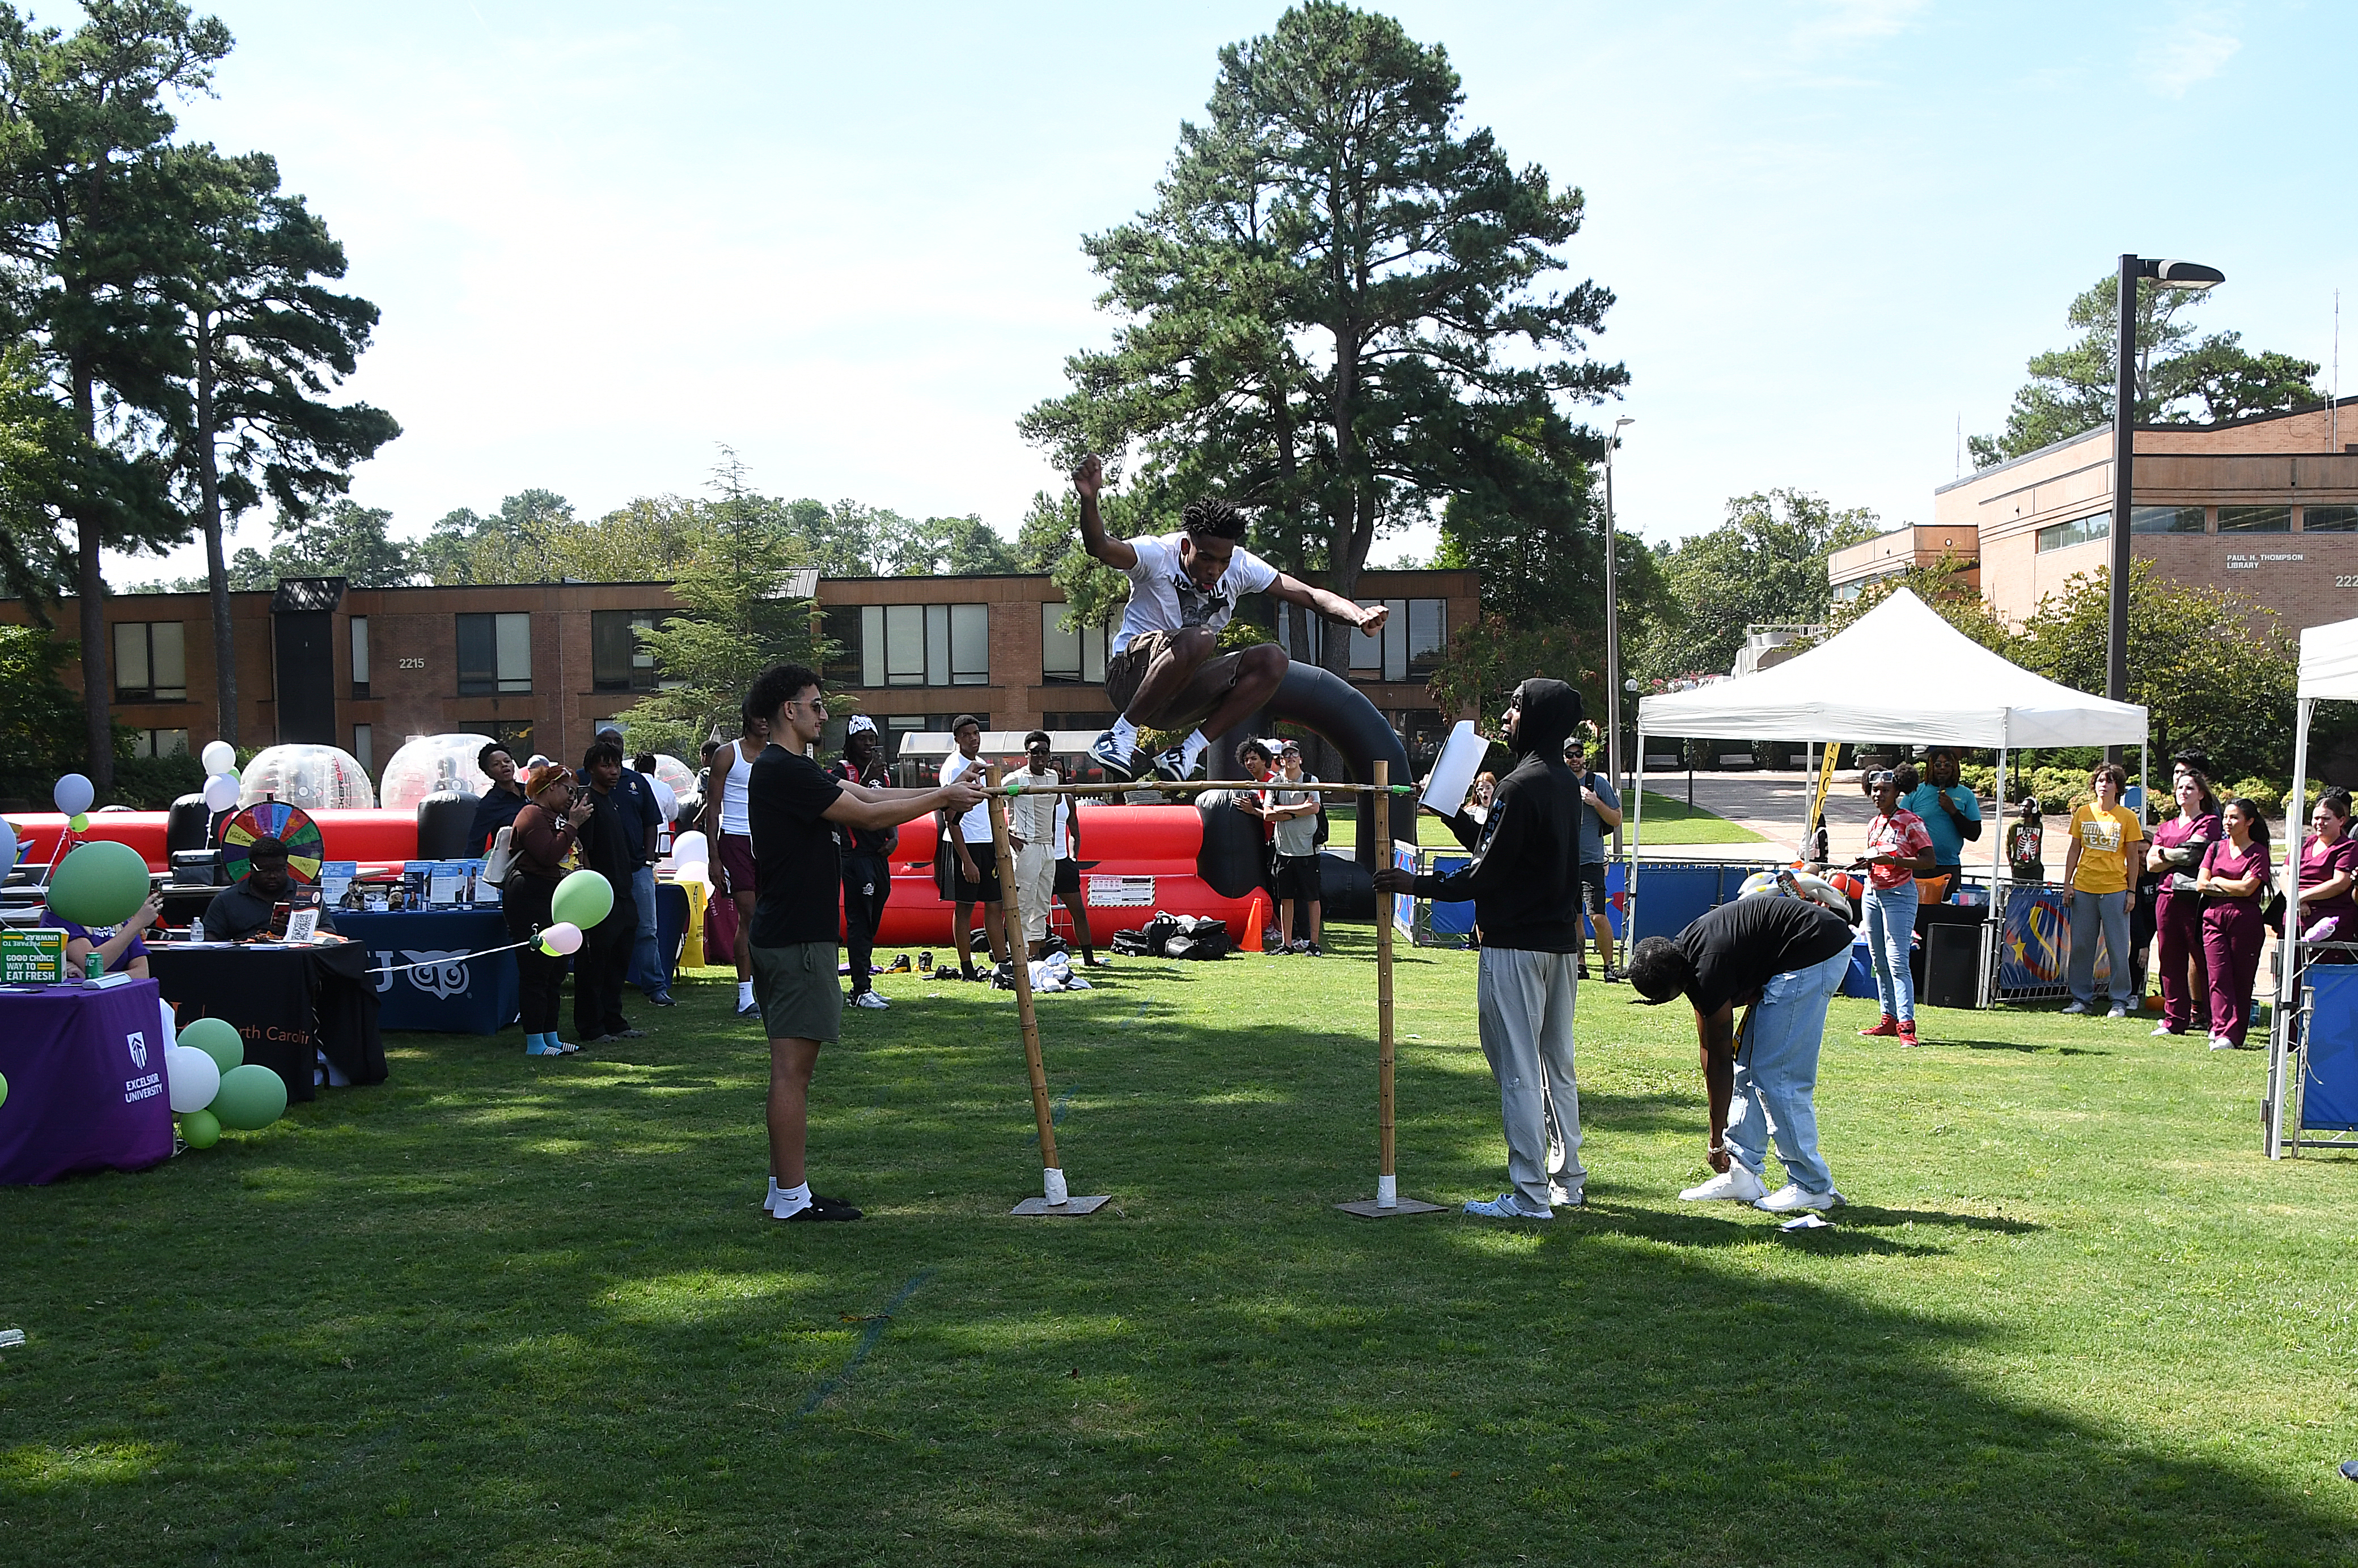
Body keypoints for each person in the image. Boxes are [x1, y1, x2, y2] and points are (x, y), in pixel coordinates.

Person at [742, 662, 990, 1221]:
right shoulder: (784, 770)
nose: (824, 714)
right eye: (816, 704)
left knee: (789, 1068)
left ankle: (784, 1187)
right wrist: (942, 800)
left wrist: (942, 792)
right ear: (790, 711)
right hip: (795, 939)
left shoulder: (789, 769)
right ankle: (791, 1199)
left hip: (790, 935)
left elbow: (868, 794)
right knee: (791, 1071)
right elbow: (866, 816)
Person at [1374, 679, 1586, 1221]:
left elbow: (1484, 876)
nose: (1508, 716)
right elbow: (1501, 850)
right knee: (1555, 1066)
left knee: (1517, 1069)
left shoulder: (1518, 786)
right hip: (1560, 946)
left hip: (1515, 946)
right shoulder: (1561, 781)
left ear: (1538, 718)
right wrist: (1447, 811)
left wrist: (1412, 882)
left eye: (1517, 707)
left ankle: (1529, 1196)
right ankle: (1568, 1181)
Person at [1072, 454, 1390, 783]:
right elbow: (1101, 547)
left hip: (1176, 697)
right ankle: (1119, 734)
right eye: (1206, 559)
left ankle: (1187, 751)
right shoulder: (1156, 555)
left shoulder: (1241, 566)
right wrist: (1090, 501)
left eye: (1223, 561)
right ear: (1186, 546)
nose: (1215, 570)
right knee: (1202, 638)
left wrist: (1358, 615)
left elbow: (1309, 595)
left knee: (1272, 659)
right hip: (1130, 677)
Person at [1627, 894, 1857, 1213]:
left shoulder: (1705, 970)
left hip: (1816, 949)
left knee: (1778, 1077)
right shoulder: (1682, 953)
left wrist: (1715, 1138)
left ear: (1677, 983)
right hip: (1798, 948)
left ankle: (1812, 1186)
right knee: (1748, 1067)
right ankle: (1742, 1174)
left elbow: (1716, 1059)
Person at [506, 764, 595, 1056]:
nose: (572, 797)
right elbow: (547, 855)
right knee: (536, 969)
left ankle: (551, 1035)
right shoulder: (531, 814)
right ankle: (535, 1041)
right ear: (550, 786)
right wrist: (573, 825)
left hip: (556, 898)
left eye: (575, 792)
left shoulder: (557, 819)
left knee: (555, 970)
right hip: (531, 896)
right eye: (568, 790)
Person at [584, 727, 670, 1010]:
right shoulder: (584, 784)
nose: (613, 748)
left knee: (647, 929)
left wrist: (647, 858)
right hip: (600, 876)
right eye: (606, 744)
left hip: (636, 869)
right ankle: (605, 994)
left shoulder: (636, 781)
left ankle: (655, 986)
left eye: (617, 744)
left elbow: (651, 821)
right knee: (603, 935)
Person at [1852, 766, 1935, 1046]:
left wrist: (1895, 862)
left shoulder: (1911, 822)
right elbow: (1879, 858)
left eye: (1884, 790)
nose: (1878, 795)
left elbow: (1928, 861)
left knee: (1898, 960)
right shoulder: (1874, 823)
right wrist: (1866, 862)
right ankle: (1888, 1019)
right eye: (1874, 790)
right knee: (1878, 959)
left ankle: (1906, 1026)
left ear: (1897, 791)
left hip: (1900, 895)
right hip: (1872, 893)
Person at [573, 741, 642, 1045]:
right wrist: (592, 893)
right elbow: (582, 850)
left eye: (616, 765)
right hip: (600, 896)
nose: (613, 772)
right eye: (605, 765)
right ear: (591, 769)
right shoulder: (587, 802)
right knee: (594, 964)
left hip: (624, 890)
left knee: (619, 960)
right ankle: (591, 1026)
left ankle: (614, 1020)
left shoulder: (613, 800)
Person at [2063, 762, 2145, 1019]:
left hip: (2115, 889)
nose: (2103, 785)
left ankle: (2119, 999)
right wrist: (2068, 883)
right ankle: (2081, 999)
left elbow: (2133, 857)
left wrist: (2131, 892)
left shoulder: (2128, 818)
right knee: (2081, 947)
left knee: (2118, 948)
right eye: (2100, 780)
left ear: (2117, 787)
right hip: (2084, 887)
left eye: (2109, 781)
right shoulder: (2083, 813)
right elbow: (2075, 849)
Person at [2145, 766, 2219, 1037]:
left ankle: (2214, 1020)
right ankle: (2174, 1019)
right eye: (2179, 788)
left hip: (2194, 898)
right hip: (2166, 897)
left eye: (2190, 788)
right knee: (2169, 958)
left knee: (2201, 958)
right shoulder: (2166, 827)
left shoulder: (2208, 822)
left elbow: (2194, 854)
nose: (2183, 792)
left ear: (2201, 793)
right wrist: (2168, 854)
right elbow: (2151, 864)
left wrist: (2163, 852)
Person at [828, 715, 896, 1008]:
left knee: (873, 919)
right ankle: (860, 989)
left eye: (872, 738)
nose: (868, 744)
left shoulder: (883, 772)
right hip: (855, 856)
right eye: (862, 739)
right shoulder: (842, 772)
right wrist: (868, 773)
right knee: (859, 920)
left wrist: (894, 837)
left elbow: (889, 803)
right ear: (850, 742)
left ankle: (864, 981)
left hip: (879, 854)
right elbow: (848, 801)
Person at [936, 715, 1010, 980]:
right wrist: (966, 860)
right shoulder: (953, 769)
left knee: (995, 903)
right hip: (963, 844)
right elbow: (951, 818)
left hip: (988, 843)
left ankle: (1002, 964)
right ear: (956, 738)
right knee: (965, 906)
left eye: (976, 733)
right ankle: (967, 968)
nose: (973, 738)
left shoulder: (983, 766)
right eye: (966, 735)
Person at [706, 706, 768, 1017]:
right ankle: (745, 994)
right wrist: (713, 857)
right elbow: (712, 809)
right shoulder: (727, 754)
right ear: (748, 718)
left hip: (769, 840)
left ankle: (767, 987)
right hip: (736, 839)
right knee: (750, 915)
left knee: (770, 915)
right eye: (760, 715)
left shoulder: (776, 755)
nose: (764, 721)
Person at [2196, 796, 2271, 1050]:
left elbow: (2248, 887)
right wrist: (2231, 886)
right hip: (2213, 917)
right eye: (2226, 817)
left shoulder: (2259, 852)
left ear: (2249, 822)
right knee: (2217, 976)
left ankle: (2234, 1034)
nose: (2228, 822)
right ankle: (2220, 1029)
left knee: (2240, 978)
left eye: (2234, 817)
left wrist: (2219, 881)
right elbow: (2201, 884)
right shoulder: (2215, 848)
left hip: (2245, 920)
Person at [1564, 737, 1624, 981]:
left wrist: (1595, 801)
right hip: (1565, 863)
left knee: (1597, 915)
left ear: (1584, 757)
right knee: (1574, 917)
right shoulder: (1558, 783)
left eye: (1578, 754)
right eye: (1570, 755)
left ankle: (1609, 966)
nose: (1575, 759)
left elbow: (1617, 819)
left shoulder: (1598, 783)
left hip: (1592, 862)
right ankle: (1580, 965)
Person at [202, 837, 342, 942]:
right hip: (244, 963)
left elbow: (330, 932)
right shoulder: (227, 900)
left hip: (295, 963)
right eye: (265, 870)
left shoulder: (306, 896)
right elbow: (210, 937)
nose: (273, 876)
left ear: (287, 866)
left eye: (279, 869)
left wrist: (295, 929)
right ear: (252, 868)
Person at [1265, 739, 1324, 955]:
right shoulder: (1274, 783)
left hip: (1308, 851)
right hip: (1283, 851)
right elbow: (1268, 814)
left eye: (1294, 754)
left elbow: (1315, 808)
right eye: (1286, 755)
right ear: (1281, 760)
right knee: (1285, 898)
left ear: (1301, 758)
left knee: (1312, 898)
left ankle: (1314, 944)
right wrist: (1298, 810)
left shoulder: (1311, 780)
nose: (1290, 758)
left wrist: (1285, 812)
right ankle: (1287, 944)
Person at [1900, 747, 1982, 902]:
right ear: (1931, 767)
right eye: (1938, 765)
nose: (1942, 768)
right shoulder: (1915, 792)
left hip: (1949, 868)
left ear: (1955, 767)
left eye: (1948, 764)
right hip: (1919, 866)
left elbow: (1974, 834)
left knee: (1946, 917)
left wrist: (1953, 811)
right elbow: (1899, 825)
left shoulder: (1966, 794)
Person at [1010, 731, 1062, 961]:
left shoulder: (1053, 777)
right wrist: (1010, 839)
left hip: (1047, 848)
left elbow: (1054, 807)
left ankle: (1035, 956)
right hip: (1026, 846)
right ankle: (1016, 957)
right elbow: (991, 803)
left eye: (1044, 752)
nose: (1040, 756)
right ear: (1026, 754)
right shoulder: (1015, 779)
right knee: (1023, 904)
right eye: (1035, 752)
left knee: (1043, 904)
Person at [1048, 761, 1103, 967]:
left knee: (1078, 912)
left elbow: (1075, 832)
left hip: (1063, 863)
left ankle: (1089, 958)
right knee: (1033, 911)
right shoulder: (1037, 795)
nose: (1057, 773)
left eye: (1060, 771)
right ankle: (1030, 955)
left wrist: (1073, 857)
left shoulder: (1068, 799)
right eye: (1053, 770)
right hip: (1041, 861)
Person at [2295, 788, 2358, 965]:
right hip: (2297, 920)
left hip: (2330, 925)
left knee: (2323, 980)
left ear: (2341, 820)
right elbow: (2287, 873)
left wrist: (2301, 897)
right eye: (2316, 818)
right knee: (2291, 980)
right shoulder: (2306, 843)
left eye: (2326, 819)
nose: (2319, 823)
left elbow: (2340, 883)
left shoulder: (2349, 848)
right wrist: (2297, 901)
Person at [49, 889, 164, 977]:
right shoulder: (61, 915)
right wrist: (137, 923)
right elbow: (93, 965)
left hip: (120, 995)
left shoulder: (121, 918)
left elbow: (142, 974)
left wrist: (93, 978)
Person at [468, 742, 529, 855]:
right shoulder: (488, 804)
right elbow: (475, 844)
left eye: (507, 761)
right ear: (489, 773)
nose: (504, 765)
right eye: (496, 764)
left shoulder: (531, 792)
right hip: (510, 862)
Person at [2006, 797, 2046, 883]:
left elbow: (2039, 843)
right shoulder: (2015, 825)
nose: (2023, 809)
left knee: (2036, 892)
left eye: (2027, 807)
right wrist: (2011, 862)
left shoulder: (2039, 825)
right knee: (2019, 893)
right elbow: (2007, 845)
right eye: (2022, 806)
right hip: (2019, 867)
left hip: (2035, 866)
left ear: (2034, 809)